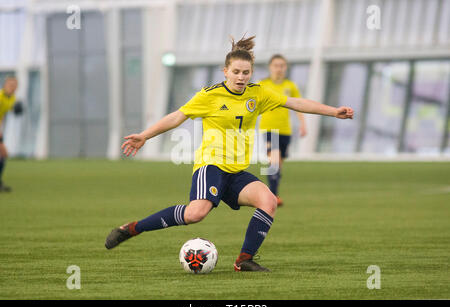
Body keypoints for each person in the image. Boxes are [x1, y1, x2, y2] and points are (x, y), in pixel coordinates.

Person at [105, 36, 353, 272]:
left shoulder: (258, 93)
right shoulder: (209, 95)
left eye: (246, 72)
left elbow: (295, 103)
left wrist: (334, 111)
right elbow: (177, 117)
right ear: (225, 71)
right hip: (211, 166)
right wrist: (145, 135)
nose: (241, 77)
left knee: (268, 201)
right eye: (236, 72)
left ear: (251, 73)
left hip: (236, 171)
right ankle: (132, 229)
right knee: (195, 214)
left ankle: (244, 260)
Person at [258, 54, 307, 206]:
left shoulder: (290, 86)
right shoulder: (262, 85)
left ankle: (273, 194)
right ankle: (272, 197)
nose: (279, 69)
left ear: (285, 68)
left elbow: (299, 105)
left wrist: (303, 124)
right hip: (268, 128)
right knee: (274, 162)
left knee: (278, 164)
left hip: (285, 130)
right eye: (276, 65)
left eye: (282, 66)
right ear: (270, 67)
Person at [0, 76, 19, 192]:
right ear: (5, 85)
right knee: (3, 153)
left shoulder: (12, 98)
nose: (12, 87)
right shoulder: (0, 97)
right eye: (10, 85)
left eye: (15, 85)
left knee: (2, 156)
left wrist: (14, 109)